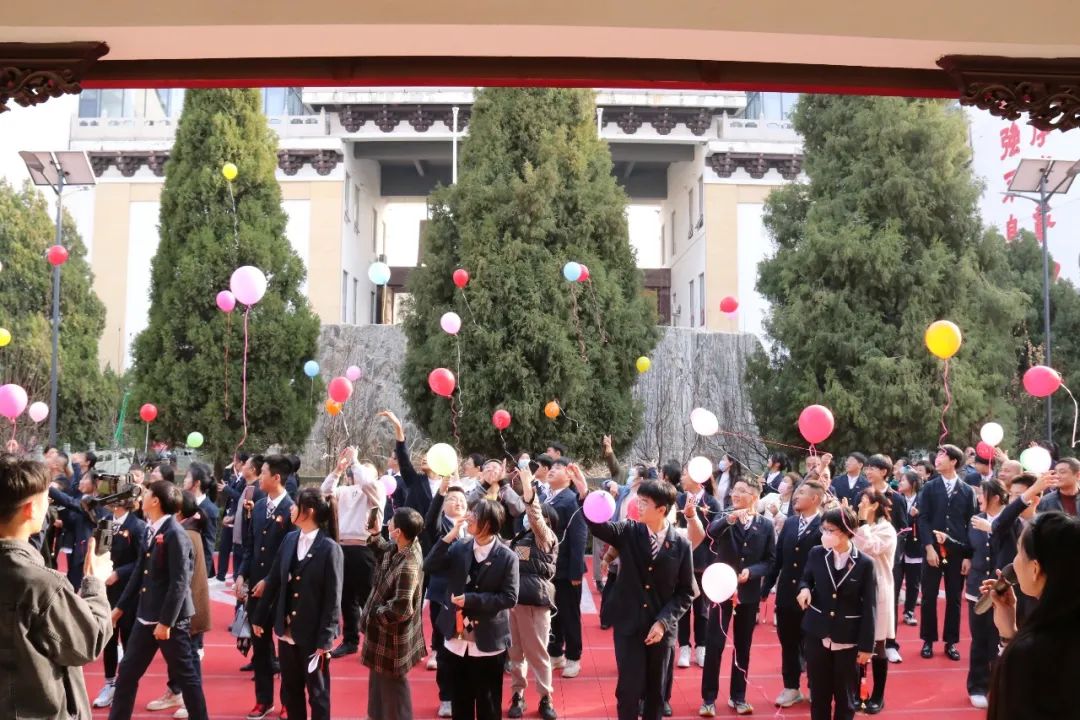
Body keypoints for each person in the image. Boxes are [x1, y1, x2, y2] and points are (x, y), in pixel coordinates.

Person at [0, 454, 113, 720]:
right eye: (46, 500)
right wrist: (95, 582)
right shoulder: (39, 583)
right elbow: (88, 642)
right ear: (30, 509)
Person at [587, 480, 694, 720]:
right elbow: (598, 527)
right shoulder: (629, 531)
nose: (638, 505)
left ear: (661, 509)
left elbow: (686, 591)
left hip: (661, 631)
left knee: (656, 693)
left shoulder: (681, 544)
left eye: (645, 502)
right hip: (629, 626)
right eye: (639, 500)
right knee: (629, 690)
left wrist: (663, 622)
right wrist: (585, 494)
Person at [109, 480, 209, 720]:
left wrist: (166, 622)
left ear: (155, 501)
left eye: (147, 493)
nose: (142, 496)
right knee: (127, 674)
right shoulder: (150, 529)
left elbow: (179, 583)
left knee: (187, 677)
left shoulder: (175, 534)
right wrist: (120, 608)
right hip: (145, 616)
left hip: (170, 621)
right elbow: (138, 573)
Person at [686, 476, 776, 716]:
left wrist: (752, 572)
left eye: (742, 490)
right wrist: (729, 519)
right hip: (720, 590)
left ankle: (738, 696)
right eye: (734, 489)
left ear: (754, 496)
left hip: (748, 594)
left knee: (743, 646)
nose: (735, 494)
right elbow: (710, 533)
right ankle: (708, 699)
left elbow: (770, 560)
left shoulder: (765, 525)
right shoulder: (726, 516)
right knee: (715, 644)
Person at [424, 498, 520, 720]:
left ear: (488, 523)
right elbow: (429, 565)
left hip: (488, 639)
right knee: (461, 702)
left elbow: (509, 598)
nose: (468, 517)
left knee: (488, 704)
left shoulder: (507, 556)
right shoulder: (460, 546)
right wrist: (449, 536)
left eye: (474, 515)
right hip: (457, 636)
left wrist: (471, 600)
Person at [254, 488, 343, 720]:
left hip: (313, 635)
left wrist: (326, 639)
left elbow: (333, 599)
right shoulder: (290, 539)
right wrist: (259, 617)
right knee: (291, 691)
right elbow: (274, 579)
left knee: (318, 694)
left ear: (308, 511)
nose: (291, 509)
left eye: (295, 505)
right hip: (286, 631)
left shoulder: (330, 548)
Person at [983, 511, 1080, 719]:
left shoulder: (1030, 651)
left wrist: (1011, 643)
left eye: (1019, 552)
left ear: (1035, 568)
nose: (1014, 563)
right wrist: (1010, 633)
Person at [797, 505, 876, 720]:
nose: (825, 534)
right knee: (819, 696)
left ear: (847, 531)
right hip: (817, 633)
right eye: (823, 529)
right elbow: (806, 578)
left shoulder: (865, 563)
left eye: (831, 530)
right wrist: (804, 589)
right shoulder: (817, 553)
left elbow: (870, 606)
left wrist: (867, 646)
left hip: (847, 637)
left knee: (845, 698)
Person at [237, 455, 297, 720]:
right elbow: (250, 546)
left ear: (276, 477)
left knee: (286, 651)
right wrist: (242, 574)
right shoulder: (259, 506)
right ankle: (263, 700)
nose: (259, 477)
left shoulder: (292, 509)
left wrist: (270, 581)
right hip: (256, 591)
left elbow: (291, 556)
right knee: (260, 648)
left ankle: (288, 702)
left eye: (263, 472)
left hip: (281, 591)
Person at [762, 479, 825, 709]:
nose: (796, 496)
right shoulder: (789, 523)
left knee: (813, 645)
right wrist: (766, 587)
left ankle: (816, 686)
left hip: (814, 597)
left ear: (815, 499)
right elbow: (778, 559)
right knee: (788, 642)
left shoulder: (824, 525)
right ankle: (791, 687)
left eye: (802, 493)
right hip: (787, 595)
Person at [361, 506, 426, 720]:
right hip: (384, 633)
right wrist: (375, 534)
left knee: (393, 686)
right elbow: (385, 551)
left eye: (391, 521)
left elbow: (401, 609)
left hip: (392, 636)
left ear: (398, 532)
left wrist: (374, 614)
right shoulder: (405, 546)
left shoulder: (408, 564)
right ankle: (376, 715)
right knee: (379, 680)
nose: (388, 522)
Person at [321, 448, 386, 658]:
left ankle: (375, 640)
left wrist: (356, 462)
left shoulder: (376, 489)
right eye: (357, 469)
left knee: (368, 595)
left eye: (366, 470)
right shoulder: (345, 490)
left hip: (364, 547)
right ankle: (350, 640)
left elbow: (367, 483)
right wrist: (338, 470)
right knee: (346, 596)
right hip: (341, 546)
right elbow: (325, 491)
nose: (358, 472)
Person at [507, 464, 560, 720]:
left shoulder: (546, 538)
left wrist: (529, 489)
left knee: (538, 653)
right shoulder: (520, 539)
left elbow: (536, 516)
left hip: (536, 602)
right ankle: (518, 694)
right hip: (514, 601)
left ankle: (545, 697)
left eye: (535, 517)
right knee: (515, 653)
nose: (528, 518)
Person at [917, 444, 976, 661]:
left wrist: (968, 555)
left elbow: (971, 523)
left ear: (954, 461)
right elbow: (923, 519)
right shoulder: (930, 488)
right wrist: (928, 547)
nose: (938, 458)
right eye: (938, 454)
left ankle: (951, 642)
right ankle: (928, 640)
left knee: (954, 598)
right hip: (933, 550)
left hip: (957, 551)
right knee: (929, 596)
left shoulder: (967, 490)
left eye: (943, 455)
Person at [93, 493, 150, 709]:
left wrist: (119, 573)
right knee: (108, 637)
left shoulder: (138, 526)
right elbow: (101, 552)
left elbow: (142, 561)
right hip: (107, 590)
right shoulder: (106, 522)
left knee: (128, 639)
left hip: (129, 591)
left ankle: (125, 685)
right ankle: (109, 683)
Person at [424, 476, 470, 716]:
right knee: (445, 648)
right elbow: (430, 518)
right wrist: (441, 492)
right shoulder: (439, 526)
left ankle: (463, 695)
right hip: (443, 598)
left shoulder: (473, 527)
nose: (458, 502)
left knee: (465, 645)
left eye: (461, 499)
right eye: (452, 499)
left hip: (467, 601)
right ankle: (446, 697)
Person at [850, 489, 897, 714]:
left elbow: (870, 548)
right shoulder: (858, 526)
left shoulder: (886, 529)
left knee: (878, 644)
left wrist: (860, 523)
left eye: (864, 501)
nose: (860, 505)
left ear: (875, 505)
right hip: (855, 589)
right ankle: (857, 692)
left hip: (878, 589)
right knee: (854, 642)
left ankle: (878, 695)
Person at [964, 479, 1008, 710]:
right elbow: (969, 547)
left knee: (999, 640)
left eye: (983, 494)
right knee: (979, 638)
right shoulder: (975, 519)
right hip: (977, 587)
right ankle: (977, 686)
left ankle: (999, 686)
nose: (979, 498)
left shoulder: (1009, 521)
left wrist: (991, 528)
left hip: (1003, 588)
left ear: (996, 497)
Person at [675, 462, 721, 669]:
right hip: (681, 561)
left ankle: (701, 646)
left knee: (702, 609)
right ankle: (684, 647)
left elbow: (716, 533)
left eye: (685, 474)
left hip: (703, 562)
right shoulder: (678, 499)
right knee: (682, 607)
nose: (682, 478)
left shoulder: (712, 502)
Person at [545, 458, 588, 679]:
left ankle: (573, 657)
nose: (552, 470)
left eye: (558, 468)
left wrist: (575, 571)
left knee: (570, 615)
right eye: (551, 467)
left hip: (566, 569)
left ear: (569, 476)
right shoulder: (547, 497)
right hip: (548, 568)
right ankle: (555, 653)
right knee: (553, 614)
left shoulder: (572, 500)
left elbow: (579, 537)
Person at [895, 470, 923, 631]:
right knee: (896, 581)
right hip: (897, 546)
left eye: (903, 480)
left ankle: (909, 612)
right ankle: (892, 612)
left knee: (913, 582)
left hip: (915, 545)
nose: (900, 483)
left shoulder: (923, 499)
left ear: (913, 483)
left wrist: (918, 515)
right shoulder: (896, 498)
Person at [216, 452, 249, 582]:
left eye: (235, 461)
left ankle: (237, 576)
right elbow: (227, 486)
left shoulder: (246, 479)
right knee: (224, 546)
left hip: (237, 517)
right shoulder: (237, 477)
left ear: (241, 463)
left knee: (237, 549)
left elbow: (241, 497)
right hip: (229, 514)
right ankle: (220, 574)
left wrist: (227, 489)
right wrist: (226, 471)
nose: (234, 463)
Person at [182, 462, 218, 578]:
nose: (184, 480)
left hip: (196, 566)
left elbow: (208, 545)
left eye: (188, 477)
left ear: (197, 483)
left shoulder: (209, 509)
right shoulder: (183, 504)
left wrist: (202, 574)